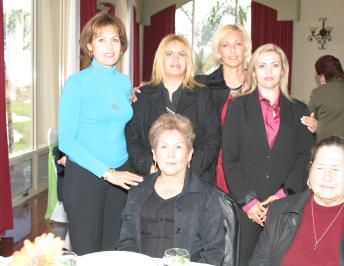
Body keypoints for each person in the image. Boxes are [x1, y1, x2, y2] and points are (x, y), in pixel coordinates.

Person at [58, 12, 143, 255]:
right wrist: (107, 174)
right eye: (101, 40)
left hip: (121, 175)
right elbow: (66, 140)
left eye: (115, 40)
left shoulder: (125, 82)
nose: (109, 46)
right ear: (89, 46)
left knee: (114, 251)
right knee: (88, 254)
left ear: (122, 45)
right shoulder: (77, 83)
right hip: (86, 177)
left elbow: (120, 119)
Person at [222, 43, 315, 265]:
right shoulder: (237, 107)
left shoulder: (300, 110)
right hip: (247, 209)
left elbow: (303, 158)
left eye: (275, 65)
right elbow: (230, 159)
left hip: (286, 206)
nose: (269, 71)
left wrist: (282, 196)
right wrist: (249, 202)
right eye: (262, 66)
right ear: (253, 70)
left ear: (283, 69)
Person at [195, 24, 317, 192]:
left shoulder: (263, 81)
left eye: (237, 44)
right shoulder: (202, 86)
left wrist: (312, 127)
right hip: (214, 168)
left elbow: (285, 127)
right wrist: (148, 89)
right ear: (218, 51)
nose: (232, 50)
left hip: (253, 170)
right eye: (225, 45)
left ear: (245, 48)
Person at [249, 136, 344, 265]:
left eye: (335, 169)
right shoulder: (279, 211)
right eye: (320, 168)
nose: (326, 177)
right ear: (310, 169)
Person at [117, 114, 225, 265]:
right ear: (154, 154)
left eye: (178, 147)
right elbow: (126, 243)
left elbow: (214, 252)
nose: (171, 154)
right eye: (164, 147)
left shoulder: (206, 194)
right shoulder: (137, 190)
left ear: (190, 154)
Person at [125, 34, 219, 183]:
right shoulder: (142, 96)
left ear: (188, 60)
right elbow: (132, 140)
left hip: (194, 180)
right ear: (160, 59)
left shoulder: (203, 95)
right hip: (153, 179)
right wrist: (151, 167)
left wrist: (187, 170)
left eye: (181, 54)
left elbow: (211, 139)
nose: (175, 59)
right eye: (169, 54)